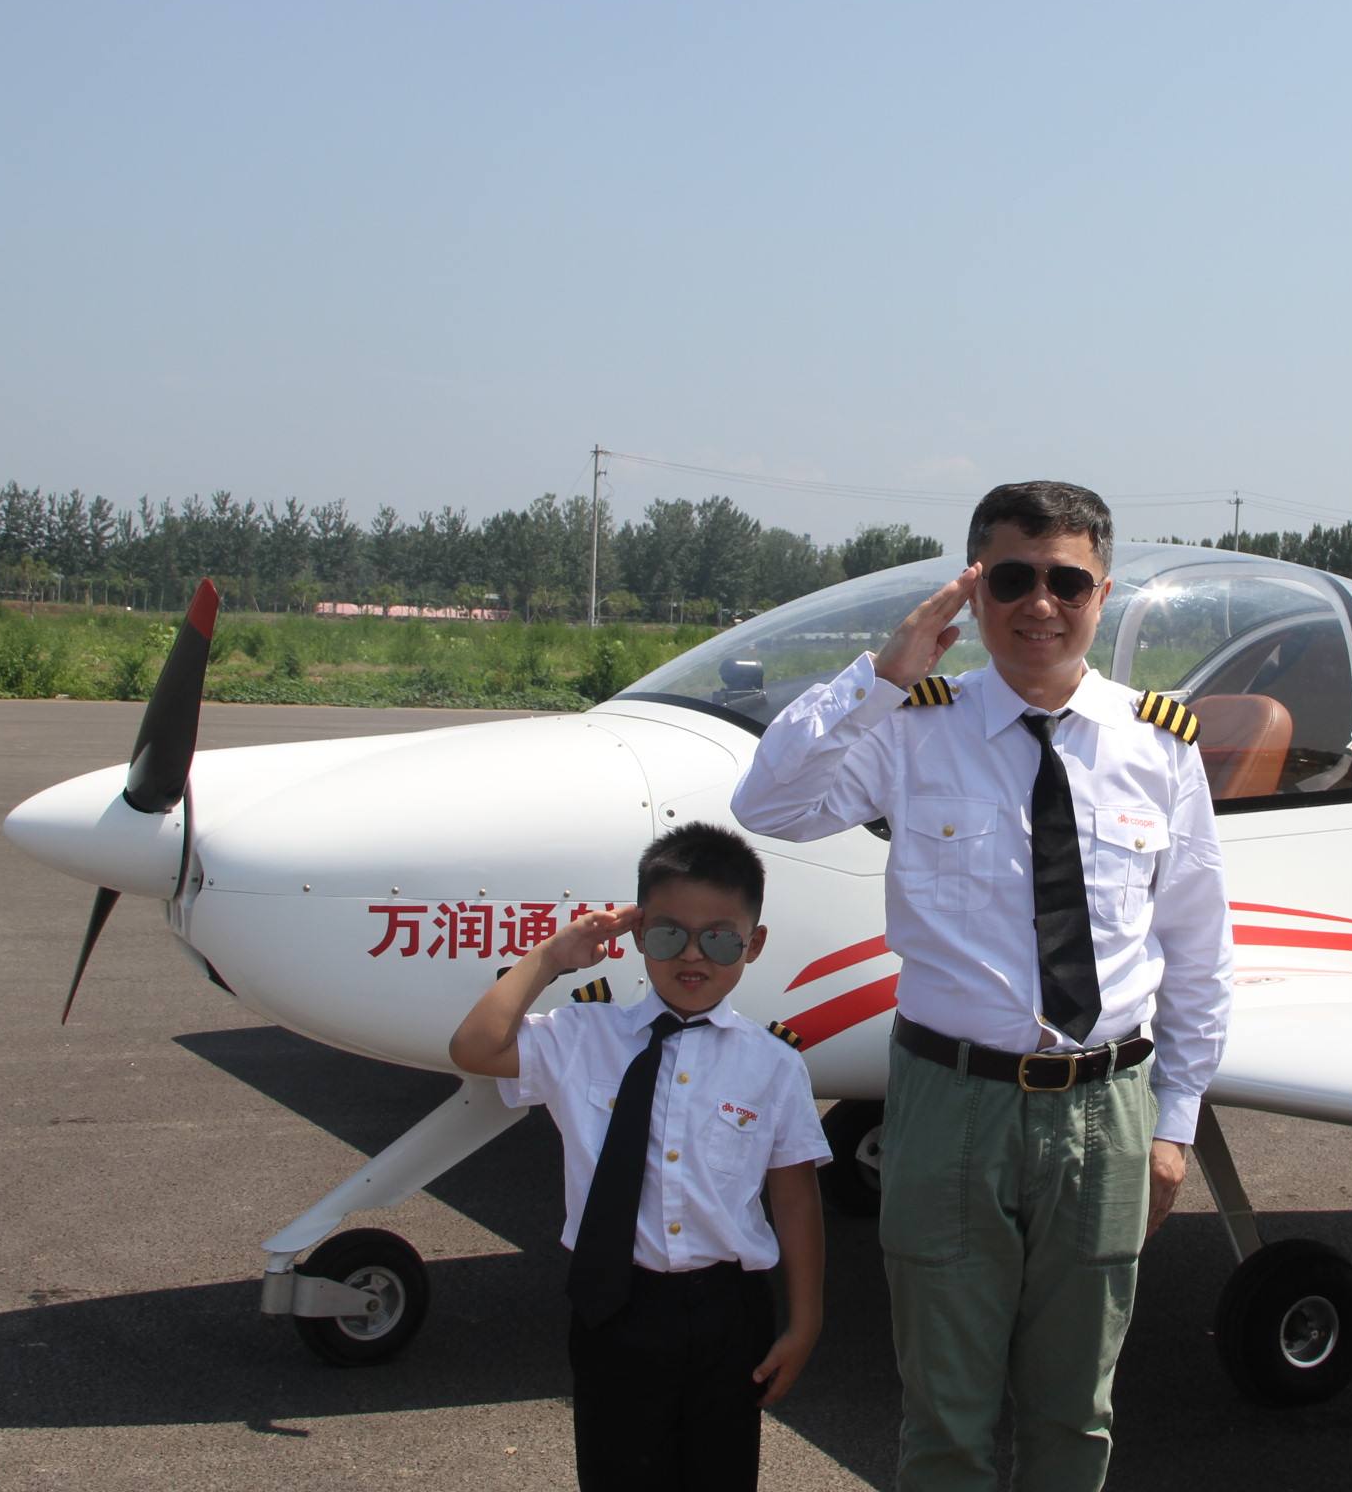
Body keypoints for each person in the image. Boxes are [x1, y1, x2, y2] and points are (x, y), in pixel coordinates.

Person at [732, 481, 1231, 1492]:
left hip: (1107, 1109)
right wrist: (882, 674)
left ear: (1103, 591)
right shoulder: (914, 726)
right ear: (974, 588)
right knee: (946, 1420)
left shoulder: (1160, 744)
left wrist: (1174, 1126)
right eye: (1011, 578)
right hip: (951, 1107)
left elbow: (1198, 951)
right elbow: (769, 804)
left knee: (1075, 1417)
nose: (1038, 603)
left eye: (1066, 580)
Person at [448, 821, 829, 1492]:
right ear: (636, 936)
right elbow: (475, 1047)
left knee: (720, 1475)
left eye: (719, 938)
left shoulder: (772, 1066)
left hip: (728, 1312)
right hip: (615, 1307)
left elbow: (794, 1198)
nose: (692, 955)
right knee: (617, 1471)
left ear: (753, 943)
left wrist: (805, 1322)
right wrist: (551, 958)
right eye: (665, 934)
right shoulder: (581, 1037)